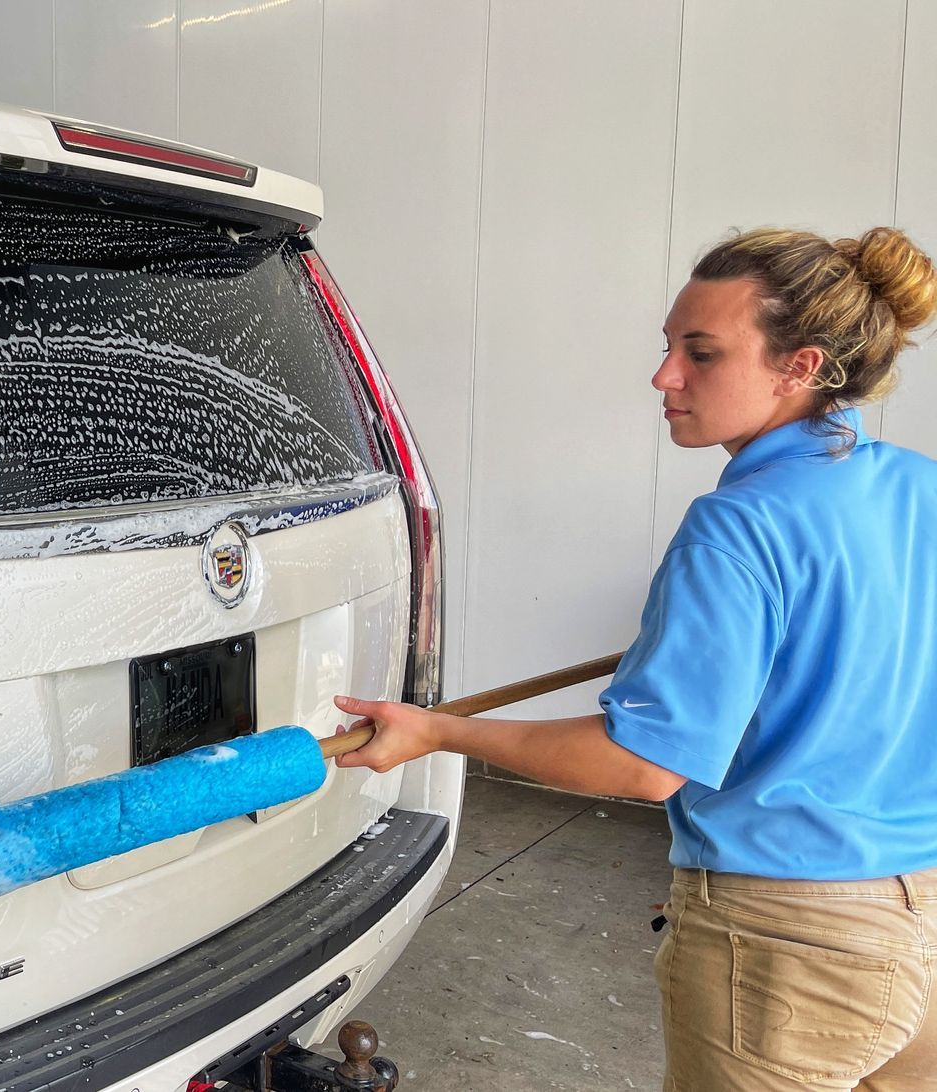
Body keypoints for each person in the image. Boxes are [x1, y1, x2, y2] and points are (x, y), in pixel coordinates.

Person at [333, 225, 937, 1090]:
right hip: (921, 918)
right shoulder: (921, 488)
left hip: (792, 949)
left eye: (701, 352)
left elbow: (646, 764)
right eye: (667, 348)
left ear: (800, 366)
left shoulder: (740, 527)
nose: (665, 377)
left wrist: (434, 733)